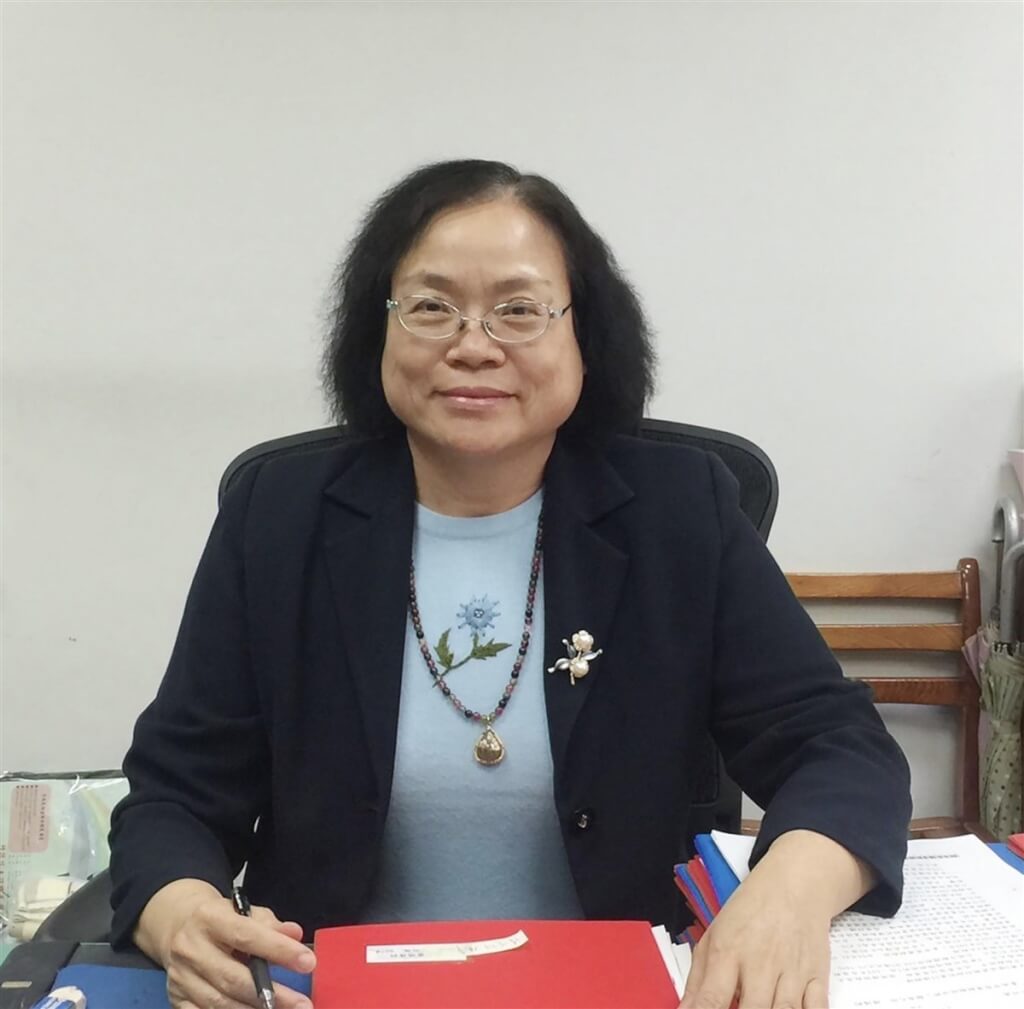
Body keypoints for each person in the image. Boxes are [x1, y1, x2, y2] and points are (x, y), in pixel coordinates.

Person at [109, 159, 912, 1009]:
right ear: (378, 330)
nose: (473, 344)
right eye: (431, 307)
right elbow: (174, 796)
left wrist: (786, 895)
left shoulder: (680, 512)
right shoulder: (279, 516)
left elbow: (840, 747)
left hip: (622, 992)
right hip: (338, 992)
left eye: (519, 310)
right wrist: (182, 912)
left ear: (583, 336)